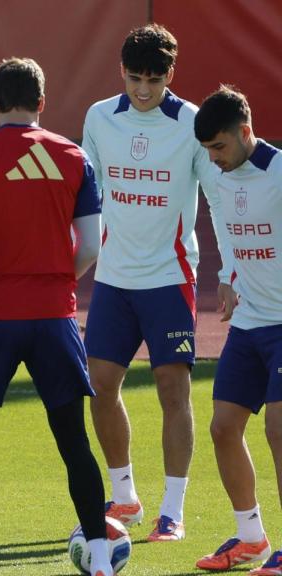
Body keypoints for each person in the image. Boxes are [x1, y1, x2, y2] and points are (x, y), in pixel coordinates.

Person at [0, 58, 111, 576]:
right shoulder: (75, 156)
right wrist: (58, 281)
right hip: (55, 318)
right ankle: (101, 560)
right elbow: (92, 242)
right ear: (42, 101)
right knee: (74, 442)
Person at [81, 23, 233, 541]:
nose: (143, 90)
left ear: (171, 74)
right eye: (134, 78)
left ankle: (173, 510)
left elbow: (217, 201)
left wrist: (229, 272)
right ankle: (123, 497)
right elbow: (88, 196)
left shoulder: (191, 123)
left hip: (171, 279)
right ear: (120, 71)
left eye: (154, 79)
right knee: (99, 386)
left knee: (174, 390)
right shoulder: (99, 118)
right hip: (114, 278)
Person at [192, 87, 282, 574]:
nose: (214, 159)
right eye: (207, 152)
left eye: (219, 148)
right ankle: (250, 538)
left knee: (279, 431)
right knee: (223, 429)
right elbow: (226, 227)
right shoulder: (222, 178)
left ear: (245, 133)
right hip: (248, 324)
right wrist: (227, 276)